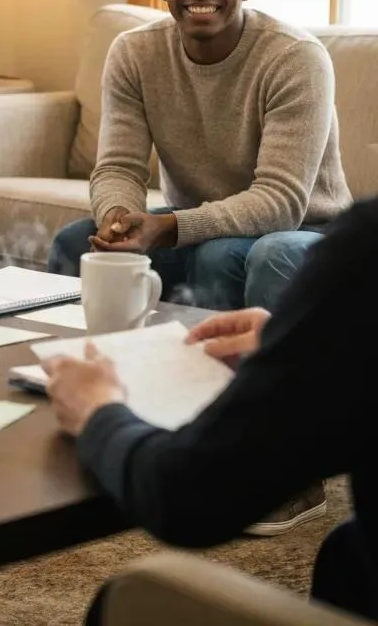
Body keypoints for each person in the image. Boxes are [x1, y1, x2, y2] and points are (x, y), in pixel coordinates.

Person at [41, 195, 377, 619]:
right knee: (346, 552)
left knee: (131, 596)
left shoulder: (366, 246)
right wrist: (309, 343)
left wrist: (98, 413)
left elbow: (191, 497)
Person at [48, 0, 351, 312]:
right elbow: (119, 167)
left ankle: (231, 376)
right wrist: (117, 218)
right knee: (75, 242)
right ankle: (83, 365)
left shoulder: (296, 58)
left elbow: (280, 201)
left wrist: (170, 227)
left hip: (305, 229)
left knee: (224, 256)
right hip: (197, 226)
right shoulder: (134, 52)